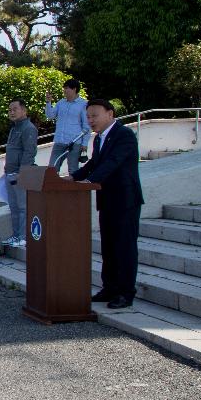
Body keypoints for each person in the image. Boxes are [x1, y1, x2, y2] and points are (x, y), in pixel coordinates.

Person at [67, 99, 144, 309]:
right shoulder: (99, 139)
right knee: (109, 247)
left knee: (124, 247)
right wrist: (73, 178)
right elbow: (94, 163)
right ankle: (109, 288)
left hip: (125, 201)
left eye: (95, 115)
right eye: (88, 116)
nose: (91, 120)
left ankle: (125, 293)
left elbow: (113, 162)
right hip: (106, 199)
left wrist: (90, 181)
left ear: (110, 114)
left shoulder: (124, 135)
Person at [2, 98, 39, 249]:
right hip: (10, 173)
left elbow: (29, 152)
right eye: (10, 110)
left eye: (14, 109)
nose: (11, 112)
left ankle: (23, 236)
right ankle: (16, 235)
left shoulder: (28, 128)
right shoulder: (14, 128)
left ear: (24, 110)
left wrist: (22, 172)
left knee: (22, 207)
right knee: (14, 207)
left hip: (20, 173)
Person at [46, 79, 91, 176]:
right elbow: (50, 115)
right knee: (52, 168)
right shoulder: (61, 103)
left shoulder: (83, 104)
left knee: (73, 169)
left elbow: (86, 126)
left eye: (67, 88)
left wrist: (85, 143)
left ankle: (75, 190)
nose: (64, 91)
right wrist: (48, 102)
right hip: (59, 140)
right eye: (64, 88)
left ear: (74, 89)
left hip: (75, 142)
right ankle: (53, 190)